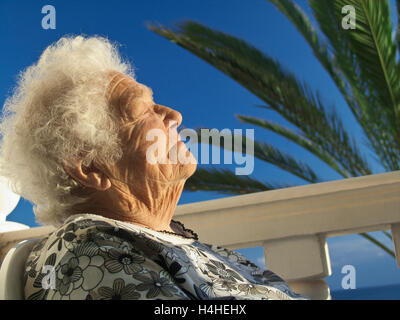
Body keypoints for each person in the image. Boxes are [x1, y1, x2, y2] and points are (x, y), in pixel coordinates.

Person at [0, 36, 308, 300]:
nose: (173, 115)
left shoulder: (154, 241)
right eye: (142, 108)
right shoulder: (91, 257)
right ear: (90, 165)